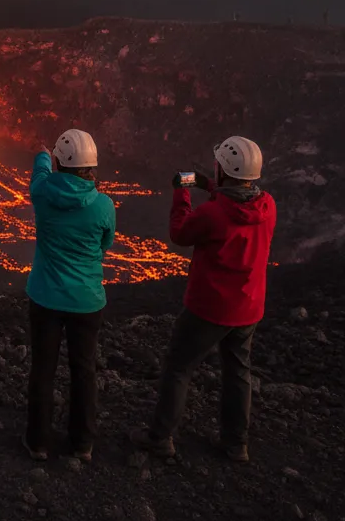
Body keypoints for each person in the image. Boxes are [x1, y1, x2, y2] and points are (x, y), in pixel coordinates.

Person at [132, 136, 275, 463]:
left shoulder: (212, 214)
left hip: (209, 307)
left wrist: (182, 190)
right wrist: (208, 183)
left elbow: (180, 233)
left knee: (179, 367)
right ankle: (236, 444)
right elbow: (236, 199)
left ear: (223, 171)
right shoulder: (267, 206)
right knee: (238, 371)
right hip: (249, 307)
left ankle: (160, 438)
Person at [24, 129, 116, 463]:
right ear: (92, 166)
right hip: (87, 301)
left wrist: (42, 153)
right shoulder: (104, 205)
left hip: (46, 298)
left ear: (60, 163)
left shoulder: (44, 194)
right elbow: (105, 244)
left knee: (43, 370)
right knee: (84, 371)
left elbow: (40, 173)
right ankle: (83, 444)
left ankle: (38, 443)